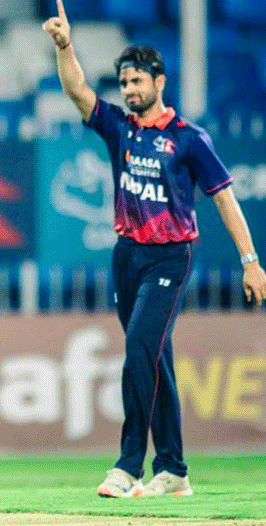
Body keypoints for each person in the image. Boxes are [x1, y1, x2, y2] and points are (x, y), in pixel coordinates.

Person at [43, 0, 266, 498]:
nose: (128, 90)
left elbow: (225, 198)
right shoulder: (120, 127)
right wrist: (65, 47)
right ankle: (174, 469)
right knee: (156, 358)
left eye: (136, 82)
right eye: (124, 83)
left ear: (159, 82)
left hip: (170, 256)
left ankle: (128, 467)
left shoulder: (188, 139)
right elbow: (77, 90)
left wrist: (250, 262)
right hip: (127, 255)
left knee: (140, 349)